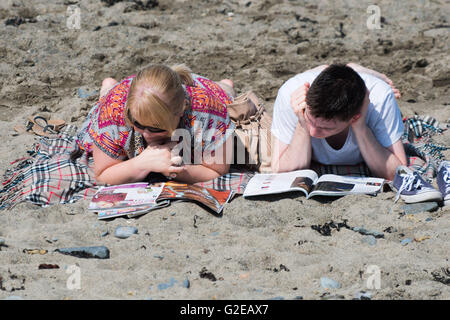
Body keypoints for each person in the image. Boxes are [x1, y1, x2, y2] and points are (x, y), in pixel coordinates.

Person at [76, 64, 236, 185]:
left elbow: (216, 171)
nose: (146, 134)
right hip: (126, 92)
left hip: (201, 90)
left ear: (181, 111)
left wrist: (176, 170)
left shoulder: (208, 113)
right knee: (105, 97)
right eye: (137, 124)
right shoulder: (113, 111)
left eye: (156, 128)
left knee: (226, 95)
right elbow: (103, 174)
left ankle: (225, 84)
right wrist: (140, 164)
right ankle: (108, 87)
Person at [271, 63, 407, 180]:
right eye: (310, 120)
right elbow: (280, 168)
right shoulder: (290, 95)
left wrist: (360, 127)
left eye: (326, 128)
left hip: (367, 94)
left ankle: (355, 70)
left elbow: (398, 172)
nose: (313, 132)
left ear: (354, 117)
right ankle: (330, 69)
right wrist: (302, 122)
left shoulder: (381, 98)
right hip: (310, 81)